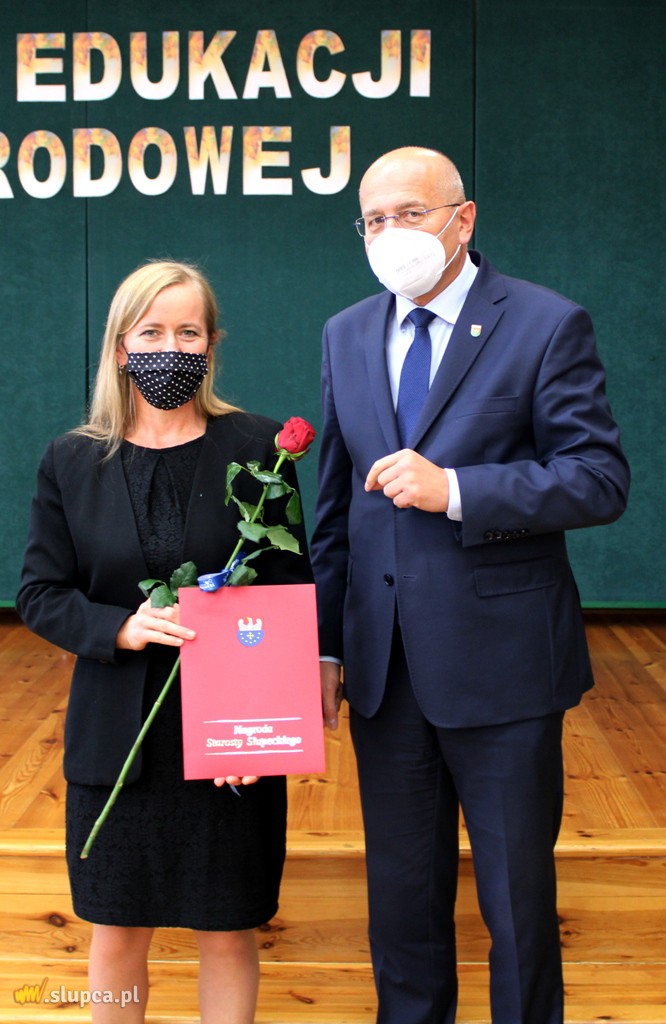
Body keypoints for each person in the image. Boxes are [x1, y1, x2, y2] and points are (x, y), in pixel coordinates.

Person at [310, 147, 630, 1024]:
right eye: (374, 219)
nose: (390, 233)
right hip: (384, 674)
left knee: (517, 906)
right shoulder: (346, 332)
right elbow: (334, 509)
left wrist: (456, 489)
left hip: (505, 669)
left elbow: (598, 479)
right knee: (401, 906)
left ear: (464, 218)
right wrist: (327, 647)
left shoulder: (545, 324)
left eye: (409, 213)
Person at [16, 260, 312, 1024]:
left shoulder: (260, 448)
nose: (170, 348)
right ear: (120, 347)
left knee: (227, 929)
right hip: (117, 739)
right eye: (151, 332)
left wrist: (260, 734)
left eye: (188, 332)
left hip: (230, 739)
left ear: (212, 345)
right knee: (116, 929)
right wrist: (118, 626)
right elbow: (40, 594)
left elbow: (287, 594)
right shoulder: (71, 459)